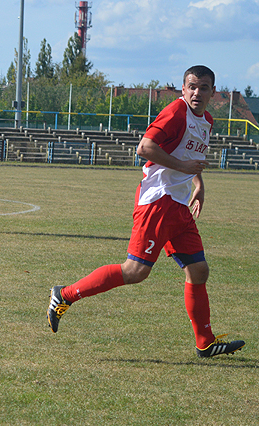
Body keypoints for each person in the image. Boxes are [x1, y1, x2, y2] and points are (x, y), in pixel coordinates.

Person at [47, 65, 245, 359]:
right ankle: (64, 294)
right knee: (135, 271)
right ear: (183, 88)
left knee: (198, 270)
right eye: (192, 86)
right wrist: (186, 170)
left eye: (204, 88)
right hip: (157, 201)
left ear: (213, 93)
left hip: (178, 205)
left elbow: (192, 158)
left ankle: (205, 341)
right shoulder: (177, 113)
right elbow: (145, 147)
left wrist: (198, 184)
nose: (197, 92)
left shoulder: (207, 120)